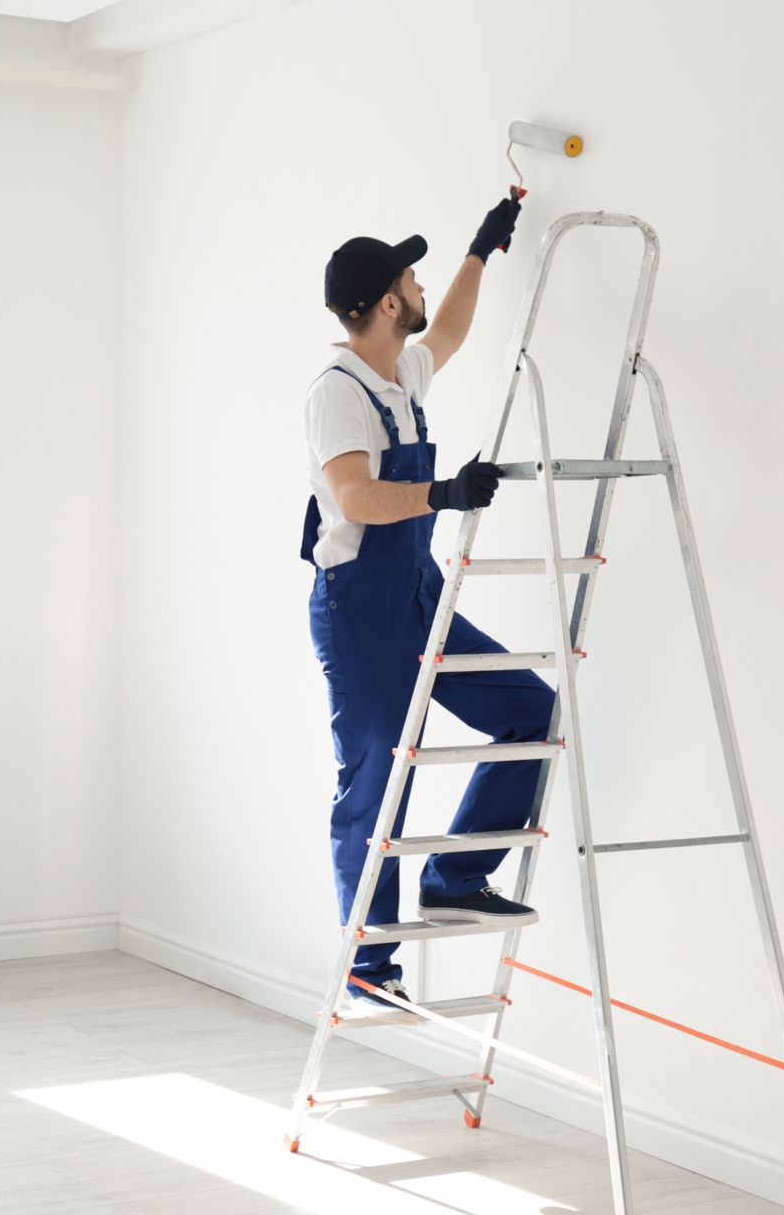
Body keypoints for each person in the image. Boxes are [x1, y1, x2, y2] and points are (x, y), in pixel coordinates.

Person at [301, 195, 558, 1014]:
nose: (420, 287)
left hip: (415, 591)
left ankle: (456, 876)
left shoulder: (399, 371)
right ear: (384, 303)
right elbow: (354, 499)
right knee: (376, 779)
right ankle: (367, 960)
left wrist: (486, 248)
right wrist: (442, 493)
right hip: (359, 610)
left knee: (532, 712)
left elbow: (447, 329)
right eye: (410, 277)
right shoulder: (338, 393)